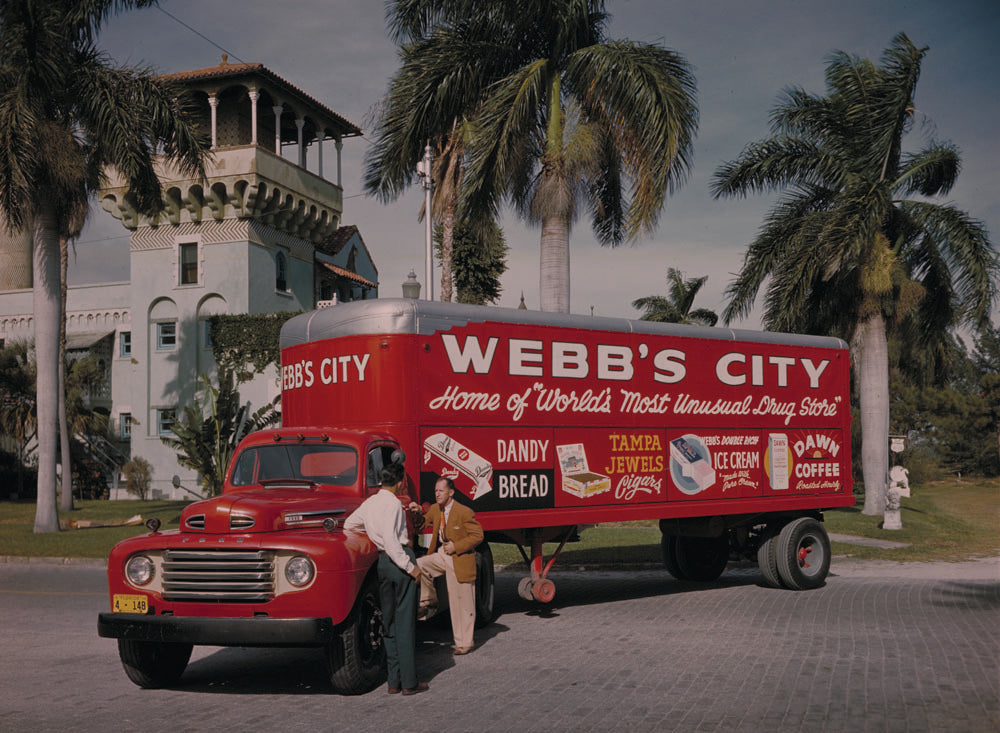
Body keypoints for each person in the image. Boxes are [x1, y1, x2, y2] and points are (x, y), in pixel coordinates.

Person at [343, 462, 428, 695]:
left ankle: (393, 680)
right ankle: (409, 682)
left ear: (382, 481)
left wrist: (372, 535)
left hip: (382, 563)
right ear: (400, 483)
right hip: (400, 560)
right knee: (405, 623)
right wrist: (411, 568)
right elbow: (393, 541)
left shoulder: (369, 503)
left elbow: (349, 525)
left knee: (388, 622)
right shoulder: (394, 504)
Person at [415, 477, 484, 655]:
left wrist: (457, 546)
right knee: (419, 565)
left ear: (451, 492)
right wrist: (416, 512)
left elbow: (477, 536)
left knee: (461, 602)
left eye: (441, 491)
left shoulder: (463, 511)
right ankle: (429, 600)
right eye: (436, 491)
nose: (437, 494)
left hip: (459, 559)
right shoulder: (435, 509)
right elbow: (422, 524)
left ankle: (464, 643)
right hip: (441, 555)